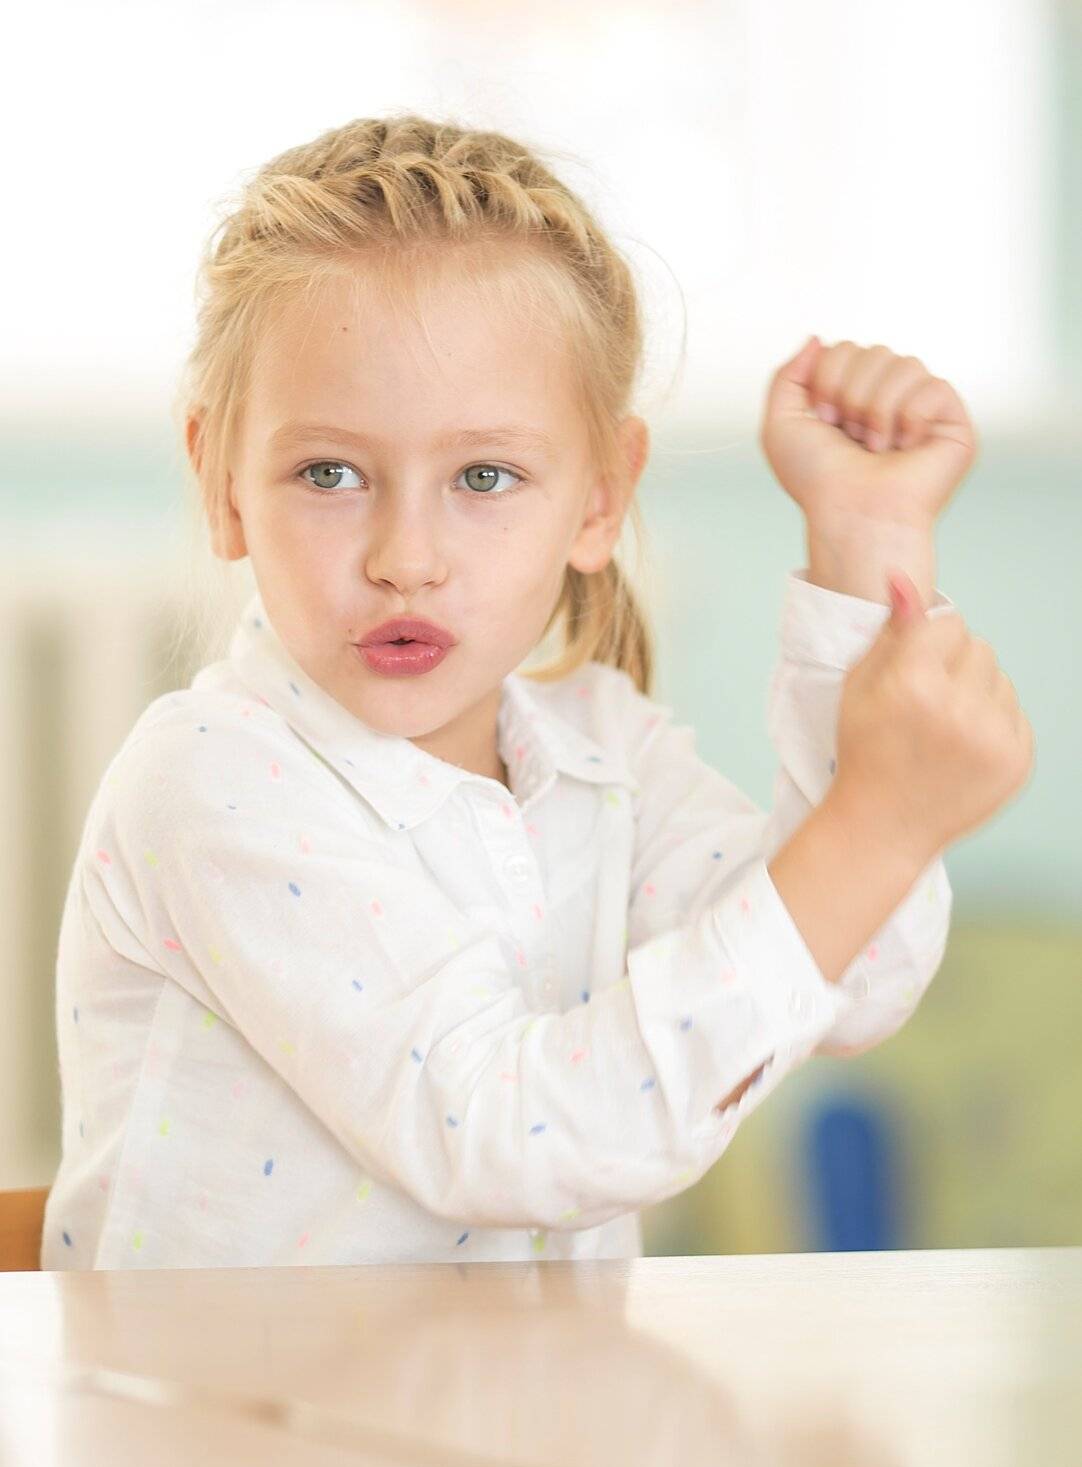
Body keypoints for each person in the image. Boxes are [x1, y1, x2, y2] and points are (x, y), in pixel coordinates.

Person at [41, 113, 964, 1271]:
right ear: (223, 485)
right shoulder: (211, 781)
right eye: (328, 473)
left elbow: (851, 978)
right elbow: (503, 1136)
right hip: (227, 1395)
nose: (405, 558)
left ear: (598, 499)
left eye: (483, 475)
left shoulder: (607, 758)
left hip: (520, 1385)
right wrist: (879, 821)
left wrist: (864, 548)